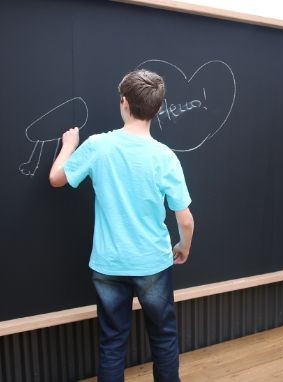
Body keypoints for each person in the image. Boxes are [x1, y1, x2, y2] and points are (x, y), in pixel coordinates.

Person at [49, 69, 194, 381]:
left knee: (112, 343)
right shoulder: (165, 157)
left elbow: (56, 179)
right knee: (164, 338)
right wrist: (183, 247)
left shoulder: (98, 146)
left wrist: (69, 144)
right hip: (153, 262)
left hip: (109, 264)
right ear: (158, 108)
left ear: (124, 103)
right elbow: (185, 218)